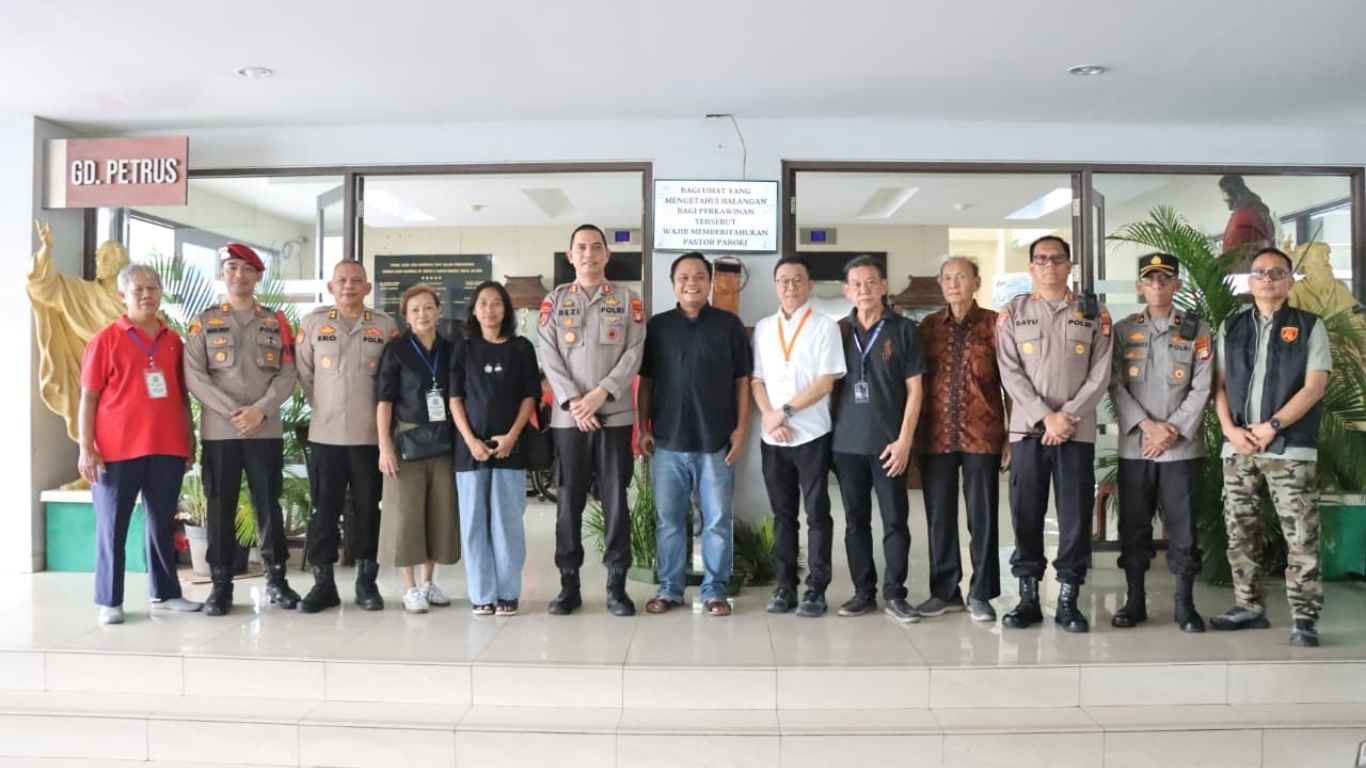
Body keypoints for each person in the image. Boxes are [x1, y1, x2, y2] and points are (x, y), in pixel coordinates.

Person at [1212, 247, 1330, 647]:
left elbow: (1314, 387)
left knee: (1301, 535)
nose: (1267, 278)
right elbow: (1218, 385)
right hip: (1239, 447)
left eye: (1277, 272)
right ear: (1250, 281)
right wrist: (1229, 429)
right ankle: (1248, 606)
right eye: (1260, 272)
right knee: (1240, 531)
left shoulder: (1310, 326)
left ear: (1289, 281)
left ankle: (1304, 618)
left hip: (1290, 448)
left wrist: (1272, 426)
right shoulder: (1231, 327)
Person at [995, 235, 1112, 633]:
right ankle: (1028, 597)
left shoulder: (1094, 313)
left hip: (1075, 433)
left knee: (1075, 516)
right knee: (1025, 513)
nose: (1049, 265)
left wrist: (1067, 417)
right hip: (1028, 431)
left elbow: (1101, 373)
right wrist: (1047, 417)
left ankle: (1068, 600)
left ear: (1069, 265)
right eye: (1041, 259)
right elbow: (1009, 372)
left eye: (1057, 259)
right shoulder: (1013, 313)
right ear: (1031, 267)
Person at [78, 263, 202, 624]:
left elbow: (181, 397)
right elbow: (88, 397)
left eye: (153, 288)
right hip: (115, 451)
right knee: (112, 527)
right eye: (138, 290)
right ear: (123, 295)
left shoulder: (173, 340)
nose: (147, 295)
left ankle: (166, 593)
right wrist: (86, 447)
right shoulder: (105, 340)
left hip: (167, 446)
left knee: (162, 523)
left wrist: (189, 439)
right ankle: (110, 601)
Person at [184, 244, 300, 616]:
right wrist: (233, 412)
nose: (239, 275)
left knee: (269, 506)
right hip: (221, 432)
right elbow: (194, 375)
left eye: (247, 269)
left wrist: (260, 410)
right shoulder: (204, 322)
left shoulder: (275, 322)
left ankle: (277, 580)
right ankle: (220, 586)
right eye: (232, 267)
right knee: (220, 506)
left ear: (258, 276)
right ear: (222, 273)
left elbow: (288, 372)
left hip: (264, 430)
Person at [536, 224, 646, 617]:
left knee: (616, 501)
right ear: (570, 256)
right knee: (568, 504)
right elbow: (548, 353)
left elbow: (634, 352)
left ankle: (617, 587)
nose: (588, 254)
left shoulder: (627, 300)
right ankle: (569, 586)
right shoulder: (554, 301)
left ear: (606, 255)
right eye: (581, 248)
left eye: (596, 247)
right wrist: (574, 401)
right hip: (570, 420)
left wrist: (601, 393)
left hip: (613, 416)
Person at [638, 253, 752, 617]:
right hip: (667, 443)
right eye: (684, 277)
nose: (692, 283)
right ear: (673, 284)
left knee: (716, 522)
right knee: (669, 522)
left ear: (710, 282)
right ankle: (670, 589)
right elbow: (646, 383)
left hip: (716, 442)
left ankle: (715, 590)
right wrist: (643, 428)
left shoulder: (728, 325)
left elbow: (742, 381)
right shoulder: (658, 327)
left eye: (700, 276)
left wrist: (741, 429)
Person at [1109, 253, 1213, 633]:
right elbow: (1114, 383)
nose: (1157, 285)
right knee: (1134, 525)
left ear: (1177, 285)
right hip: (1136, 447)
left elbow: (1203, 385)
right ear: (1140, 286)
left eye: (1164, 279)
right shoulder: (1123, 330)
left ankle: (1185, 605)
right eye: (1149, 279)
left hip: (1180, 448)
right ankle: (1134, 601)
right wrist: (1147, 427)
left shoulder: (1196, 329)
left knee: (1183, 528)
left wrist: (1171, 430)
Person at [294, 261, 399, 613]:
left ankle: (367, 583)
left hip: (370, 438)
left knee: (369, 510)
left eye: (356, 281)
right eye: (341, 280)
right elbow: (305, 375)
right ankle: (323, 585)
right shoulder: (312, 323)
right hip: (326, 435)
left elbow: (391, 379)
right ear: (330, 286)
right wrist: (328, 405)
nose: (349, 286)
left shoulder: (384, 326)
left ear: (367, 288)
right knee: (324, 511)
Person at [829, 255, 923, 622]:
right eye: (856, 283)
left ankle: (896, 594)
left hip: (889, 446)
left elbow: (915, 391)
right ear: (846, 290)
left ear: (883, 286)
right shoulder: (837, 332)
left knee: (895, 520)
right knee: (855, 521)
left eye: (871, 282)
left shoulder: (904, 329)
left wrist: (904, 441)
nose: (864, 289)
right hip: (846, 444)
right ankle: (862, 593)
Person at [753, 256, 847, 618]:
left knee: (817, 514)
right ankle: (784, 586)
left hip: (812, 435)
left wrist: (785, 412)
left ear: (810, 285)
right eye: (783, 280)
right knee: (783, 515)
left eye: (797, 280)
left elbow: (825, 383)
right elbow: (757, 380)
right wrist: (769, 417)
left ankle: (816, 589)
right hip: (773, 438)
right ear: (775, 286)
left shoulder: (825, 327)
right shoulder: (764, 328)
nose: (790, 286)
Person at [917, 256, 1007, 623]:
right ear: (940, 284)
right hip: (935, 434)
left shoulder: (996, 324)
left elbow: (1011, 382)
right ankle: (945, 591)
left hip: (982, 434)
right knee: (939, 515)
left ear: (977, 282)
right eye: (947, 278)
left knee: (982, 516)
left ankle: (981, 593)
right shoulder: (927, 327)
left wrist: (1011, 435)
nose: (954, 283)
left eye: (961, 277)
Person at [450, 281, 539, 617]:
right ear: (474, 310)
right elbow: (454, 398)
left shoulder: (521, 348)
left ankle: (507, 593)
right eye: (483, 303)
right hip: (469, 451)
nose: (490, 309)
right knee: (474, 523)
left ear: (506, 309)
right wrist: (470, 440)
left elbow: (530, 397)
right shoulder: (463, 348)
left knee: (507, 523)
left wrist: (513, 436)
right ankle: (482, 594)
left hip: (509, 449)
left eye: (497, 303)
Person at [376, 284, 459, 614]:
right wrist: (385, 446)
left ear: (438, 311)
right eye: (415, 310)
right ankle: (409, 587)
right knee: (407, 514)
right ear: (406, 317)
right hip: (407, 442)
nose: (422, 314)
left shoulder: (451, 349)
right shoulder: (396, 350)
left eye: (428, 308)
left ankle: (428, 582)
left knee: (439, 512)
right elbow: (384, 401)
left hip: (443, 441)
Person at [27, 221, 129, 469]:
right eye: (98, 257)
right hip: (90, 370)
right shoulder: (82, 291)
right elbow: (43, 286)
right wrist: (46, 249)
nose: (99, 261)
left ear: (119, 262)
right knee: (92, 417)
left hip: (125, 375)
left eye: (105, 257)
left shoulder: (131, 301)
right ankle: (92, 465)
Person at [1219, 175, 1276, 256]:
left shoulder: (1244, 215)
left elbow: (1240, 249)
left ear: (1231, 192)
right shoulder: (1257, 210)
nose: (1223, 199)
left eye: (1224, 193)